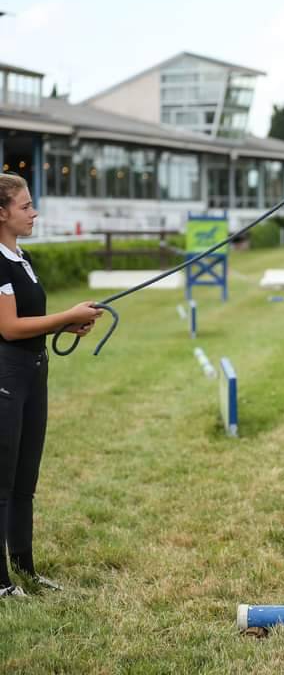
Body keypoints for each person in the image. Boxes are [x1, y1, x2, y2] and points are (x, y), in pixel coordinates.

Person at [0, 173, 102, 598]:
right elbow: (8, 327)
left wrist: (69, 322)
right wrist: (63, 317)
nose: (34, 212)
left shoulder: (20, 258)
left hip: (34, 374)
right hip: (7, 378)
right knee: (2, 484)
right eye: (25, 207)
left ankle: (25, 569)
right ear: (1, 213)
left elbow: (29, 320)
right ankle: (1, 583)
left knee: (26, 481)